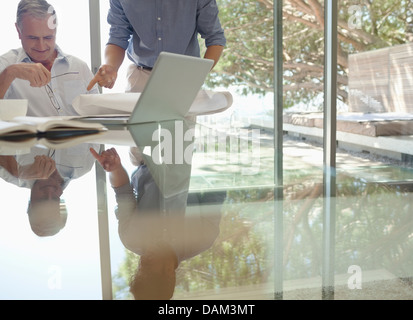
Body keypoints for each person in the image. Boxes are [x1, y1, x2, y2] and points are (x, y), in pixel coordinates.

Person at [91, 147, 223, 299]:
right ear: (168, 272)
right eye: (148, 264)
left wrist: (115, 168)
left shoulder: (130, 238)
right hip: (190, 152)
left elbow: (123, 192)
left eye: (140, 266)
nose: (143, 259)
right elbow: (217, 185)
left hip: (145, 156)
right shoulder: (203, 237)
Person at [87, 0, 226, 93]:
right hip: (140, 76)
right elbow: (118, 36)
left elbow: (215, 38)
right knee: (137, 136)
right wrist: (111, 66)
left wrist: (196, 76)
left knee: (178, 137)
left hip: (183, 78)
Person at [0, 0, 99, 116]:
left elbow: (97, 114)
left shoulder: (79, 67)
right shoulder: (5, 66)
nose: (41, 46)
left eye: (48, 37)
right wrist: (10, 73)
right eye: (32, 38)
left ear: (56, 30)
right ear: (18, 31)